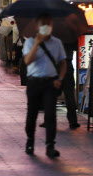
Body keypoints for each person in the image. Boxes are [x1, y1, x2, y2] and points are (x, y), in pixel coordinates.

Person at [22, 13, 67, 158]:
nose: (46, 27)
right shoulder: (29, 42)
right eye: (43, 24)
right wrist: (37, 43)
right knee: (32, 114)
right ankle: (30, 141)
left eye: (49, 24)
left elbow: (63, 62)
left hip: (50, 82)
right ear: (36, 26)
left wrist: (60, 78)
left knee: (50, 115)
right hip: (34, 82)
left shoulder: (57, 43)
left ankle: (50, 146)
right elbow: (27, 61)